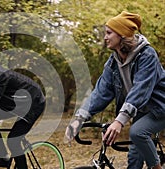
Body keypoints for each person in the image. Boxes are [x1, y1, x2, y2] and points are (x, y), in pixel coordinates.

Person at [65, 11, 165, 169]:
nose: (105, 37)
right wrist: (79, 118)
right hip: (140, 110)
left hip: (160, 107)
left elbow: (141, 90)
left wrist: (119, 120)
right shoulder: (113, 62)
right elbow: (100, 93)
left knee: (137, 133)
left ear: (122, 35)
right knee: (134, 157)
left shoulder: (147, 55)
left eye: (109, 33)